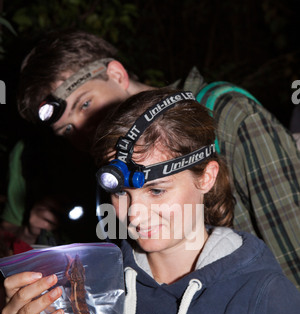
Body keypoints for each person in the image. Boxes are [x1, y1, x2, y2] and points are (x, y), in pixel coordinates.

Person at [2, 89, 300, 314]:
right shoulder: (88, 287)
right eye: (120, 193)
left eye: (156, 191)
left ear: (206, 177)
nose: (132, 214)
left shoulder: (268, 300)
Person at [3, 29, 299, 288]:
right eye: (67, 129)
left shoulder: (228, 115)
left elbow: (292, 247)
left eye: (86, 104)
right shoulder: (109, 172)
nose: (84, 132)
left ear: (116, 75)